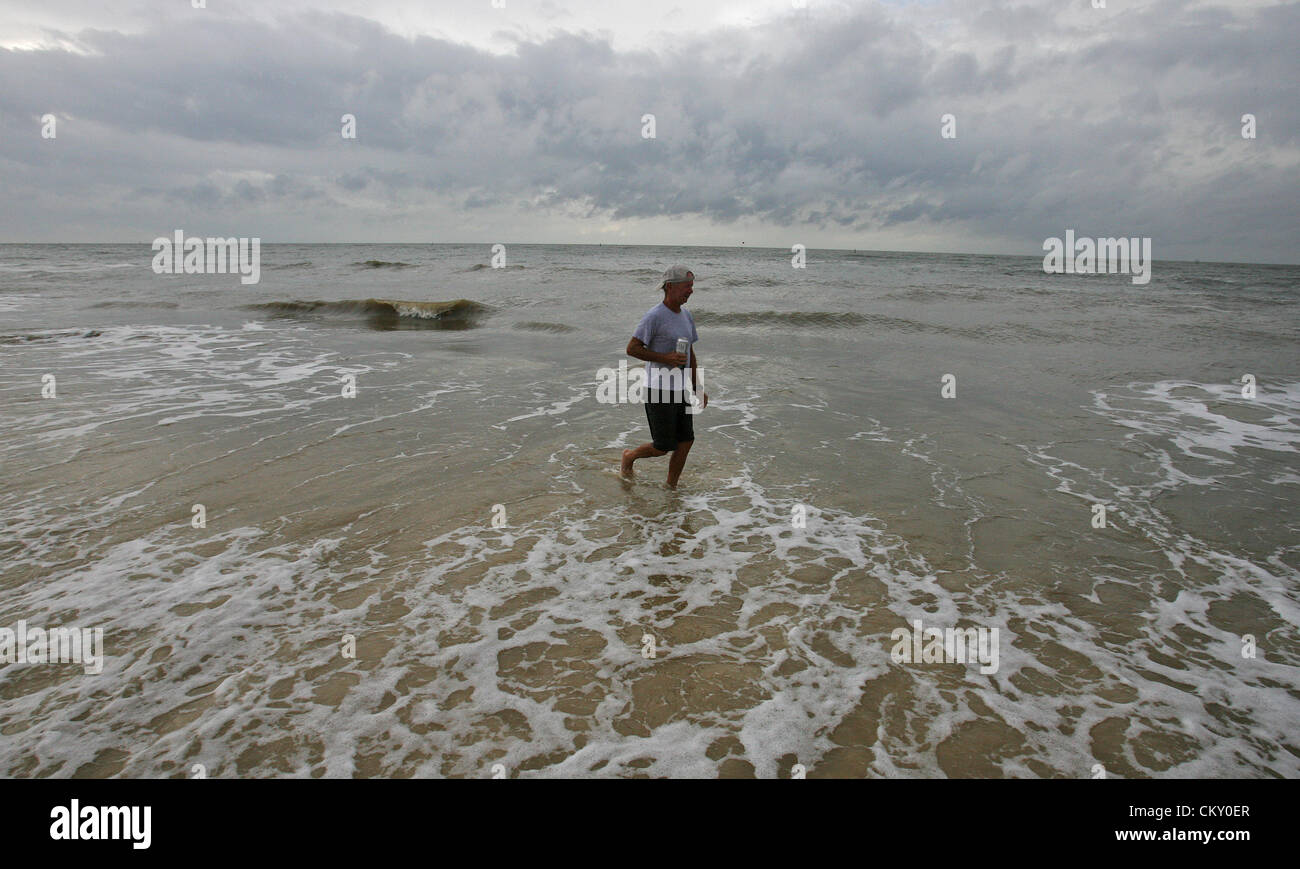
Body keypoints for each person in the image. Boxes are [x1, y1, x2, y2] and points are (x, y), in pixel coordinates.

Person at [620, 266, 709, 487]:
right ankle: (629, 456)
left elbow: (690, 353)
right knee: (662, 446)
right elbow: (632, 349)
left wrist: (697, 386)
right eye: (687, 286)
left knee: (686, 440)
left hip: (680, 388)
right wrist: (665, 358)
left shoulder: (687, 316)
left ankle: (671, 486)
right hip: (658, 388)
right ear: (670, 286)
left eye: (692, 286)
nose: (691, 291)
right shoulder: (655, 316)